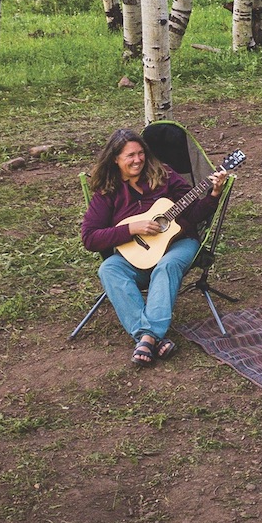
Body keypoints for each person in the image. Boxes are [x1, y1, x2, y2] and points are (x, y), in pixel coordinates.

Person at [81, 128, 226, 367]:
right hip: (136, 254)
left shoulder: (164, 175)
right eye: (130, 155)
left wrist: (214, 194)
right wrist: (131, 228)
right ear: (115, 159)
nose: (137, 160)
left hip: (179, 244)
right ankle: (152, 338)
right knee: (109, 269)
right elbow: (90, 238)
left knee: (167, 264)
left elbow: (195, 213)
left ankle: (147, 337)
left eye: (141, 153)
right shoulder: (108, 192)